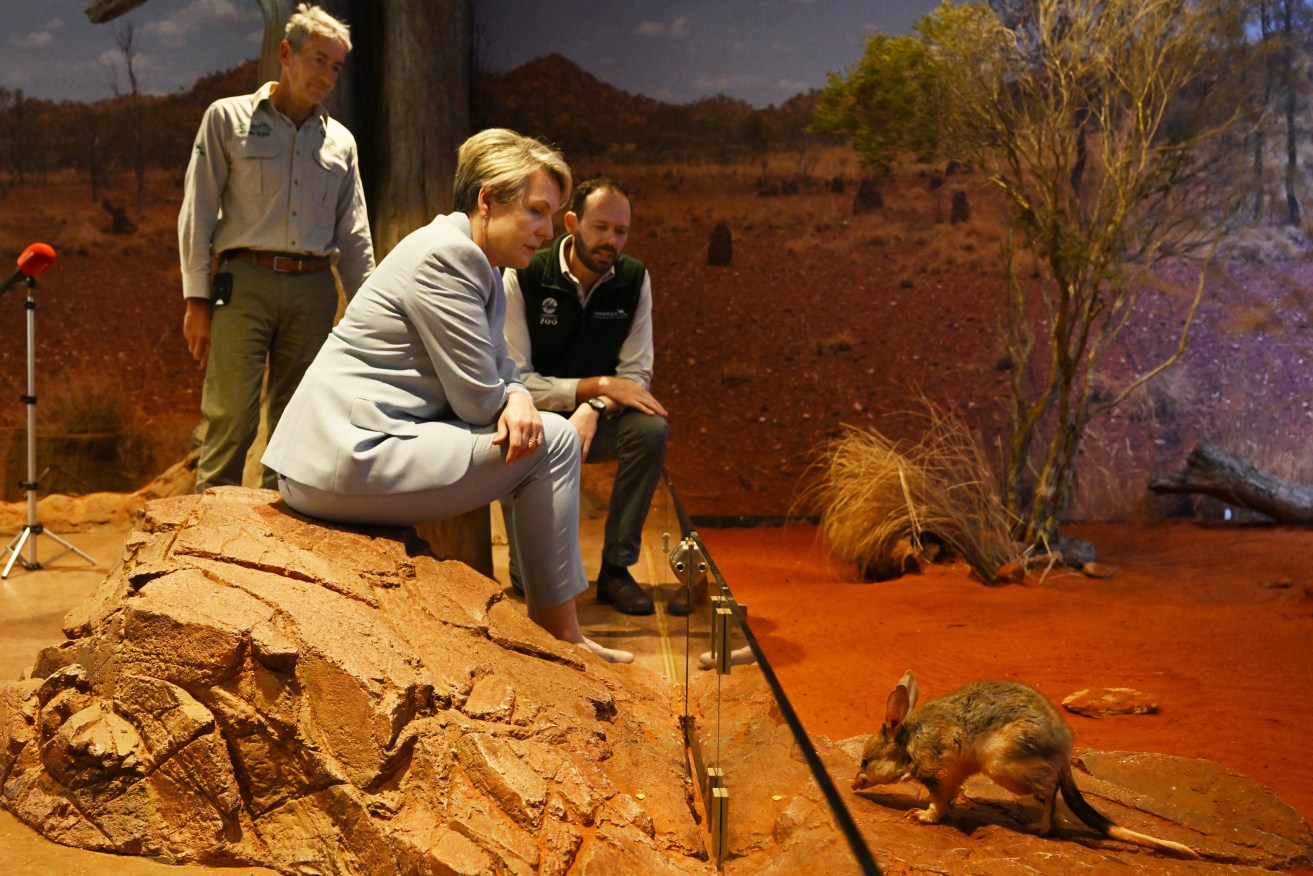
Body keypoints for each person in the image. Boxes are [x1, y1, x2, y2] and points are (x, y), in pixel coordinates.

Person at [261, 128, 633, 664]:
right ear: (487, 200)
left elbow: (500, 368)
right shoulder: (449, 257)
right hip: (347, 457)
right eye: (535, 211)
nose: (548, 231)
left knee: (542, 431)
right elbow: (480, 401)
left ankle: (559, 632)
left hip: (353, 451)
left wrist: (516, 393)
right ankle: (561, 638)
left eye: (552, 216)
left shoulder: (477, 258)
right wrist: (514, 396)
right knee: (553, 443)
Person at [179, 3, 374, 494]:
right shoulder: (227, 119)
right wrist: (196, 300)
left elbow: (353, 236)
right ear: (285, 54)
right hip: (243, 284)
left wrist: (370, 312)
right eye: (318, 60)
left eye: (336, 66)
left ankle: (276, 545)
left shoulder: (341, 144)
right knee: (231, 417)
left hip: (312, 291)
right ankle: (203, 545)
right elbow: (197, 213)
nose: (328, 75)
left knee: (295, 425)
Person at [503, 178, 674, 616]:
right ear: (573, 223)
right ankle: (531, 568)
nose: (611, 241)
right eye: (600, 228)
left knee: (651, 428)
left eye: (621, 231)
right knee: (529, 586)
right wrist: (594, 388)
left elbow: (635, 377)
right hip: (535, 421)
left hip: (600, 422)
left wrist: (594, 408)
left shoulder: (634, 279)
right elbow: (516, 377)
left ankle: (616, 569)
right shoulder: (525, 273)